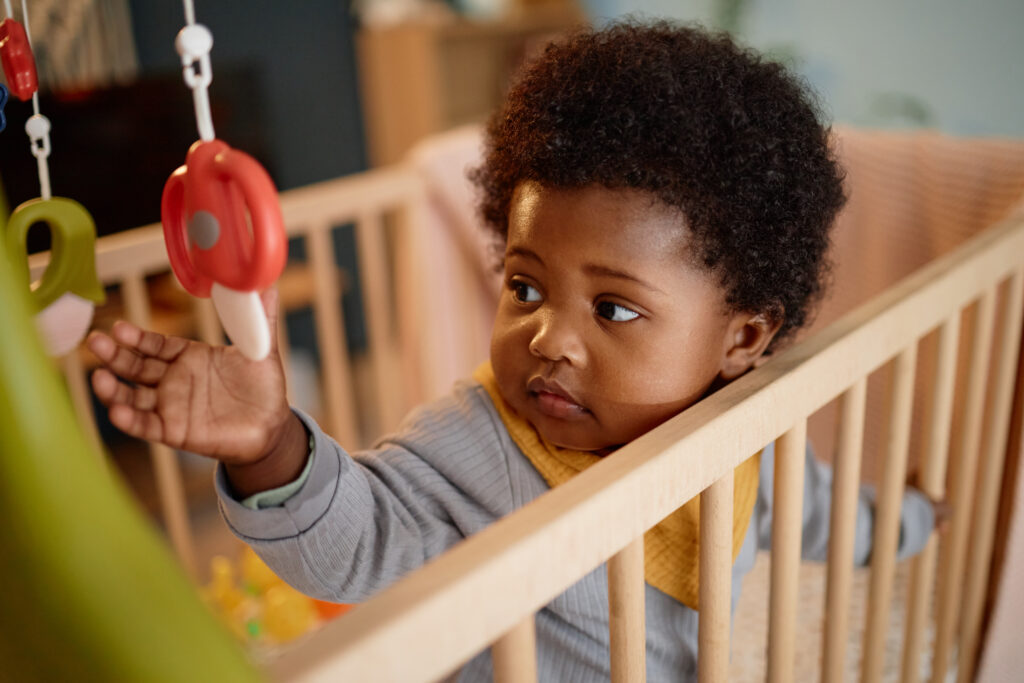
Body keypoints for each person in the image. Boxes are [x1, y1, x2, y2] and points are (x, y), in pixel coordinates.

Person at [87, 20, 942, 680]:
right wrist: (274, 447)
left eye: (613, 307)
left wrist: (907, 520)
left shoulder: (752, 431)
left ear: (743, 338)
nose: (549, 338)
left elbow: (821, 511)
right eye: (526, 287)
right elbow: (355, 543)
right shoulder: (482, 439)